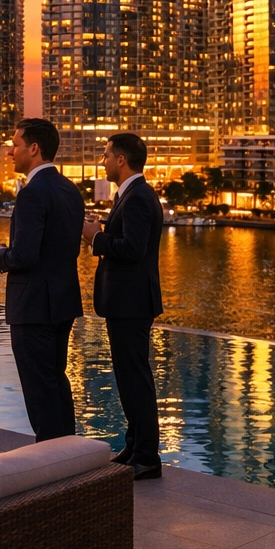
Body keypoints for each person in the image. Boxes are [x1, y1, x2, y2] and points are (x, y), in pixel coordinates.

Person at [0, 118, 85, 441]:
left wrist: (0, 253)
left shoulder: (32, 194)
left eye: (15, 144)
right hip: (63, 301)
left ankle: (49, 459)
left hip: (33, 305)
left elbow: (25, 255)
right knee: (56, 379)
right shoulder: (70, 190)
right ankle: (68, 453)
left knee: (39, 388)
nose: (11, 152)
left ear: (34, 148)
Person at [82, 133, 163, 480]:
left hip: (131, 302)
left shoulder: (137, 198)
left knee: (135, 377)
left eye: (105, 156)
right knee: (129, 377)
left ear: (121, 160)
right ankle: (135, 445)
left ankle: (147, 456)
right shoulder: (130, 195)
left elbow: (133, 249)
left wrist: (94, 237)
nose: (102, 162)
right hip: (125, 302)